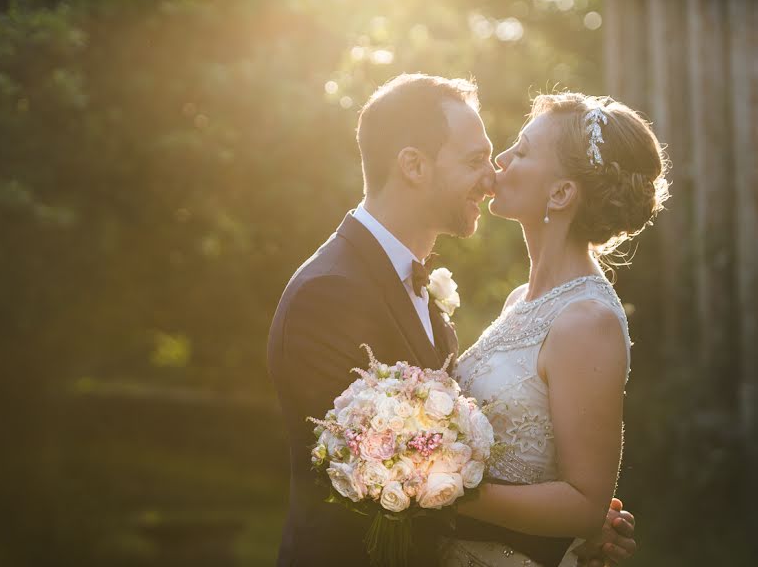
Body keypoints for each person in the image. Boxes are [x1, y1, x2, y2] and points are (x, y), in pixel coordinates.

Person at [267, 74, 638, 567]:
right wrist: (562, 534)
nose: (493, 171)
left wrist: (576, 525)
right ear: (414, 166)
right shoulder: (331, 294)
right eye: (475, 159)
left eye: (513, 153)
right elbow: (363, 474)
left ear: (562, 192)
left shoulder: (569, 317)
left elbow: (558, 485)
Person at [440, 91, 668, 566]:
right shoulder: (520, 301)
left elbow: (585, 505)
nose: (500, 160)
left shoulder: (588, 322)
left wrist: (439, 486)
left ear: (562, 194)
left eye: (521, 152)